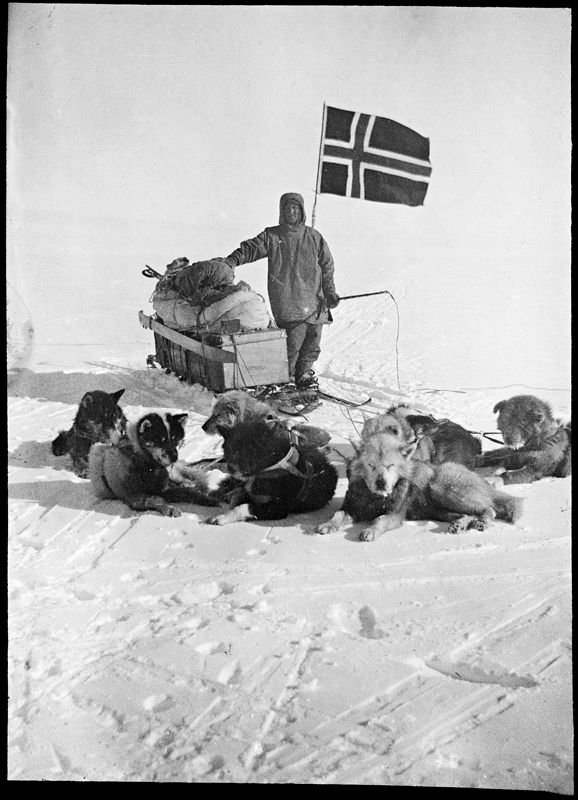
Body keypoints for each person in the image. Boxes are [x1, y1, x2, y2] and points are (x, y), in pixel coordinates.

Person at [220, 192, 340, 392]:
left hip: (315, 302)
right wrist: (232, 260)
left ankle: (303, 376)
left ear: (301, 211)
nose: (291, 212)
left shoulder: (314, 237)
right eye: (288, 208)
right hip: (289, 301)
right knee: (292, 347)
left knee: (312, 345)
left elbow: (327, 267)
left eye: (295, 208)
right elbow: (251, 248)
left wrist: (330, 292)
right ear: (282, 211)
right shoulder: (272, 236)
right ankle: (286, 381)